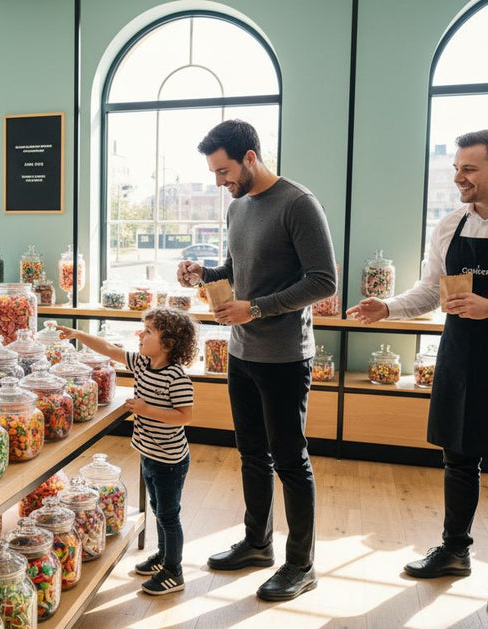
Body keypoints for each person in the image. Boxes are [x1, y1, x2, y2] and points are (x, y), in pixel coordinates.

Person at [347, 129, 488, 614]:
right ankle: (455, 550)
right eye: (457, 168)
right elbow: (431, 291)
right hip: (459, 355)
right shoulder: (450, 224)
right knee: (457, 458)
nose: (459, 177)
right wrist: (387, 307)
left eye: (469, 169)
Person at [178, 119, 337, 601]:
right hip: (241, 351)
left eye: (223, 171)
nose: (219, 182)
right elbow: (237, 269)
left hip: (285, 355)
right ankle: (257, 543)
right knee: (251, 452)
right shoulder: (238, 207)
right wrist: (204, 272)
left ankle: (301, 564)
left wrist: (257, 308)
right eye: (214, 173)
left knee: (289, 458)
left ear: (250, 157)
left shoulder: (299, 203)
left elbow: (323, 281)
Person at [57, 308, 198, 596]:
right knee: (158, 509)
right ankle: (164, 556)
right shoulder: (142, 363)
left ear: (168, 343)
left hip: (170, 461)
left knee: (169, 516)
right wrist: (78, 334)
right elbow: (109, 349)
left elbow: (185, 416)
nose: (140, 334)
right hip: (150, 454)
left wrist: (146, 409)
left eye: (148, 331)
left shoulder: (177, 377)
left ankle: (174, 572)